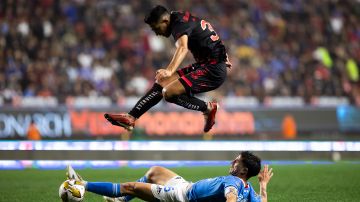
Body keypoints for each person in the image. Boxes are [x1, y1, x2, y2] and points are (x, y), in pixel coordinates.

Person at [104, 5, 232, 133]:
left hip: (213, 70)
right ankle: (131, 117)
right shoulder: (178, 18)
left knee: (168, 93)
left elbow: (183, 47)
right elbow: (207, 36)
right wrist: (223, 56)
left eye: (156, 28)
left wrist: (169, 70)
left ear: (165, 21)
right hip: (207, 64)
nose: (156, 33)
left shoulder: (179, 23)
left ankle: (207, 108)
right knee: (162, 82)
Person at [66, 151, 273, 202]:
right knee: (155, 171)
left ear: (244, 170)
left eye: (236, 161)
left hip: (180, 196)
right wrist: (263, 186)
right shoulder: (248, 190)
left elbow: (230, 198)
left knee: (130, 186)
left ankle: (81, 184)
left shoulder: (234, 182)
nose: (232, 162)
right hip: (187, 186)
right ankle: (120, 200)